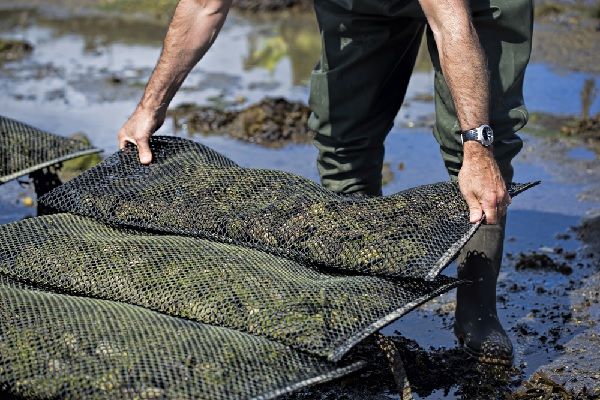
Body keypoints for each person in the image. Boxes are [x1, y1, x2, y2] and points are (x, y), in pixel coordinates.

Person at [117, 0, 533, 366]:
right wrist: (149, 107)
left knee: (483, 143)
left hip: (472, 6)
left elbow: (451, 23)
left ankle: (478, 310)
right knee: (342, 137)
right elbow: (204, 6)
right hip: (360, 6)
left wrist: (477, 147)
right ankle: (361, 296)